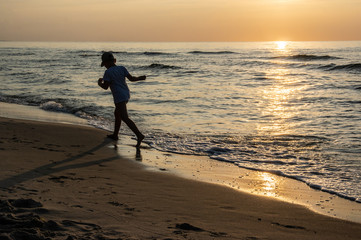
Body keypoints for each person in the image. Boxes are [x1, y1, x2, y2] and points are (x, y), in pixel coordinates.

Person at [98, 52, 146, 147]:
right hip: (126, 94)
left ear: (106, 63)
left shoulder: (108, 72)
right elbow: (131, 79)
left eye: (104, 65)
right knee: (117, 114)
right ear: (114, 61)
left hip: (119, 96)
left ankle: (139, 135)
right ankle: (115, 135)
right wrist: (140, 78)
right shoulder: (122, 68)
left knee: (124, 117)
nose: (105, 67)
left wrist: (99, 83)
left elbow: (105, 87)